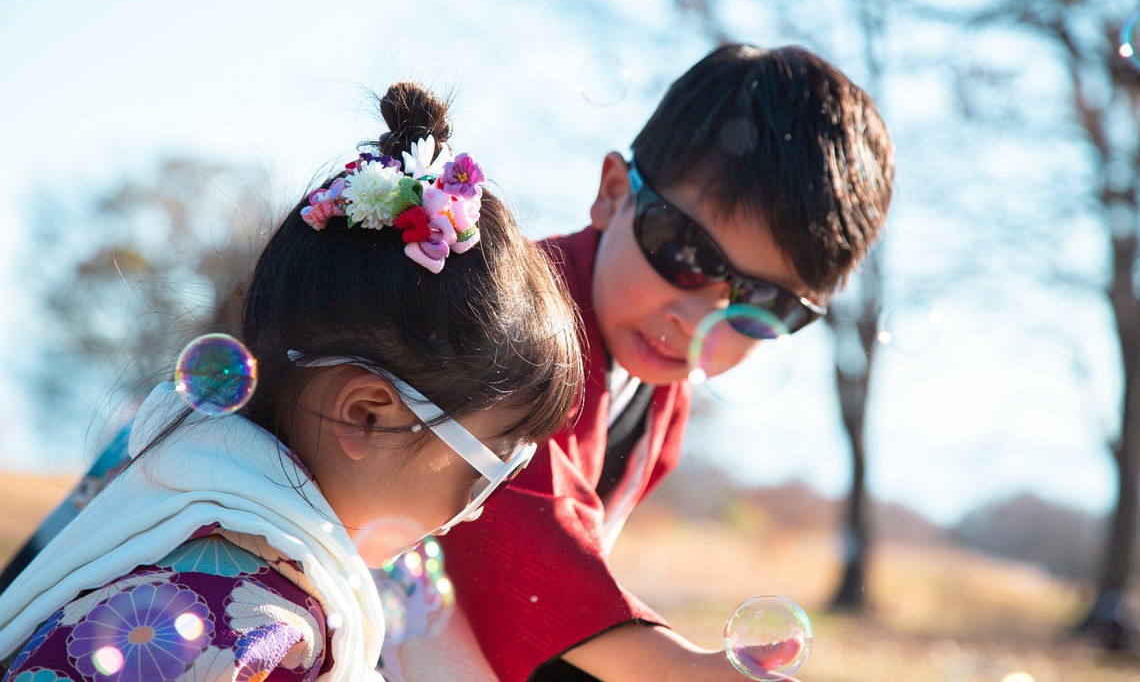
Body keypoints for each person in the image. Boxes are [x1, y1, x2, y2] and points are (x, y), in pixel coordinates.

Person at [0, 82, 583, 681]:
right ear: (368, 414)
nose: (478, 511)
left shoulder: (174, 531)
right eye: (492, 469)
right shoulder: (254, 636)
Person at [393, 43, 895, 681]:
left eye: (760, 299)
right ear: (611, 194)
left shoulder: (661, 390)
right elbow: (520, 534)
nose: (698, 317)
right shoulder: (508, 314)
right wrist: (679, 670)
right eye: (685, 251)